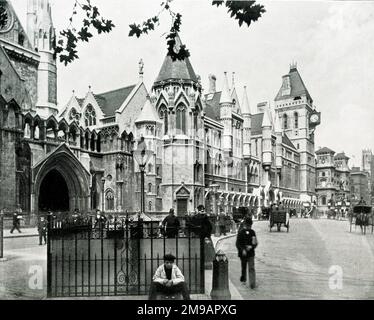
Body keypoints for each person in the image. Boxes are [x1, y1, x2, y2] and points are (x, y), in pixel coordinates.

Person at [236, 216, 258, 289]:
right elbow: (238, 243)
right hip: (244, 253)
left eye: (250, 225)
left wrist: (251, 246)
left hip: (250, 253)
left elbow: (255, 242)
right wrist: (243, 249)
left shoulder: (252, 232)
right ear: (245, 224)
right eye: (248, 225)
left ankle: (252, 283)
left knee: (250, 268)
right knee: (244, 267)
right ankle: (244, 279)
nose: (249, 226)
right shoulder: (241, 232)